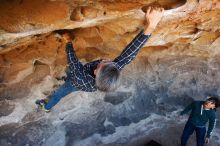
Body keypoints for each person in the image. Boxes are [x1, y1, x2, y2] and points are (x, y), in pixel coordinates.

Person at [35, 7, 164, 112]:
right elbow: (130, 52)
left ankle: (46, 107)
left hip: (75, 83)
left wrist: (68, 41)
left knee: (59, 93)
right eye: (110, 62)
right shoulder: (113, 69)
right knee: (71, 73)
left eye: (103, 63)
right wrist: (151, 26)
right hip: (81, 80)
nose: (107, 60)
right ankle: (66, 78)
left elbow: (72, 60)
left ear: (96, 72)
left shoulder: (79, 76)